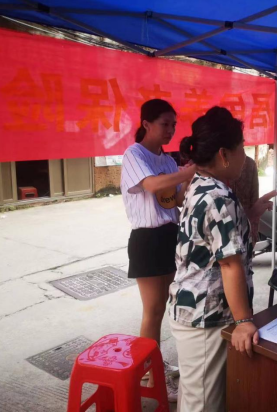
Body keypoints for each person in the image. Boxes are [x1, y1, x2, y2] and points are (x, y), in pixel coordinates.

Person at [169, 106, 277, 412]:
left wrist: (250, 214)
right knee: (203, 405)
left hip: (194, 309)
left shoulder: (199, 184)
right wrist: (244, 321)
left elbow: (214, 243)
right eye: (241, 148)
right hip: (207, 316)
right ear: (224, 154)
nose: (245, 156)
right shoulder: (218, 196)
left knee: (195, 398)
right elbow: (229, 263)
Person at [121, 99, 196, 402]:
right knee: (152, 311)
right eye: (165, 124)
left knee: (165, 307)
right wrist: (188, 173)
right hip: (147, 239)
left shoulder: (167, 160)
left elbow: (173, 201)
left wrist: (189, 181)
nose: (170, 130)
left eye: (174, 125)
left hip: (170, 236)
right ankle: (151, 376)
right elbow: (152, 186)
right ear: (146, 124)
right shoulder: (134, 154)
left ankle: (153, 365)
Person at [228, 156, 260, 246]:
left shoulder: (250, 163)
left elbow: (254, 198)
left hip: (245, 222)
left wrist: (253, 232)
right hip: (225, 224)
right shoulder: (216, 164)